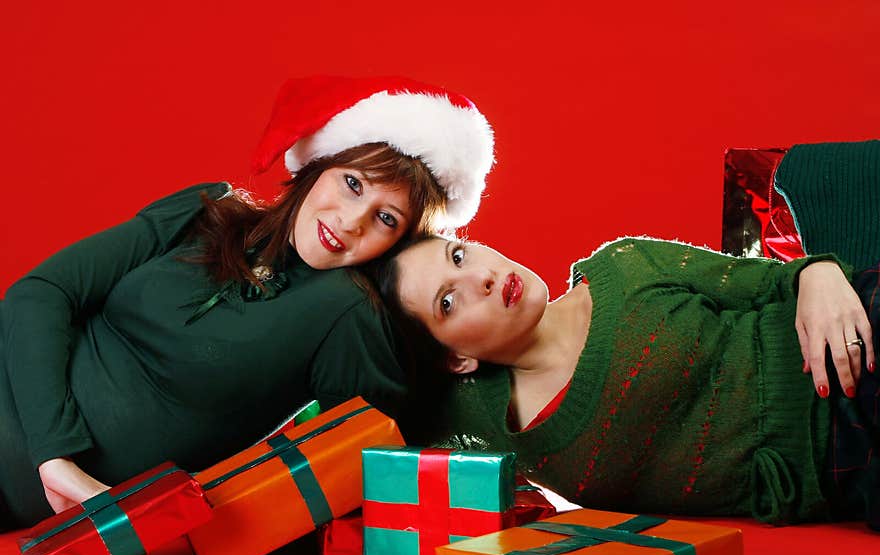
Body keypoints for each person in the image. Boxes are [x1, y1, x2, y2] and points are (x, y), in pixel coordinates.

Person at [0, 75, 495, 529]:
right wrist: (58, 458)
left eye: (386, 218)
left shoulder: (346, 314)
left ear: (400, 243)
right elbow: (40, 294)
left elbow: (381, 455)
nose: (350, 222)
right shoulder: (206, 211)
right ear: (318, 167)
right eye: (351, 184)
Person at [373, 232, 880, 531]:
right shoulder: (480, 422)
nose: (479, 277)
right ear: (455, 359)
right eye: (447, 301)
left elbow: (774, 281)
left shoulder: (623, 264)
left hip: (855, 329)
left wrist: (819, 273)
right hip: (841, 464)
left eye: (458, 255)